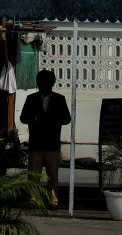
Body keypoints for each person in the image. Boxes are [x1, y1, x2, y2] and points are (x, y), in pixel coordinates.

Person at [19, 68, 71, 206]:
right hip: (36, 143)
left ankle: (52, 200)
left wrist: (53, 119)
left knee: (52, 176)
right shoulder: (31, 99)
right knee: (33, 175)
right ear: (38, 82)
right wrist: (35, 118)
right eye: (42, 81)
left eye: (47, 81)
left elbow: (67, 119)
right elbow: (23, 118)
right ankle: (33, 200)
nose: (44, 84)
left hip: (52, 143)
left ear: (52, 83)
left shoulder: (59, 99)